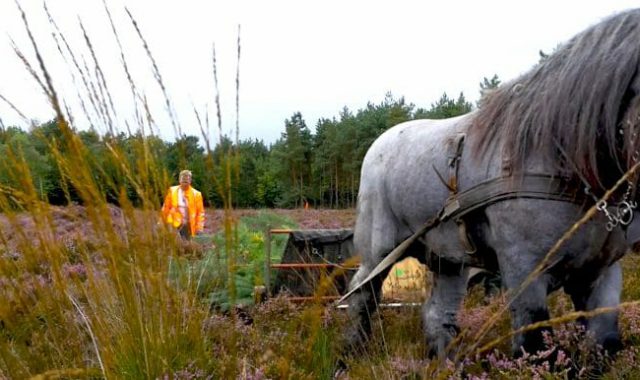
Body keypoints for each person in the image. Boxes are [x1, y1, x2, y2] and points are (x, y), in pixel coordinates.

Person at [161, 170, 205, 239]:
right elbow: (166, 207)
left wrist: (199, 228)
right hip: (172, 222)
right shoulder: (172, 190)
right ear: (179, 180)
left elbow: (200, 213)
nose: (185, 181)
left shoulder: (196, 194)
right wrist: (161, 221)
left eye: (187, 179)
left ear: (190, 181)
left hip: (187, 224)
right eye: (183, 179)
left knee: (186, 244)